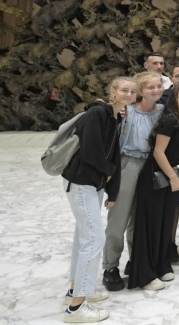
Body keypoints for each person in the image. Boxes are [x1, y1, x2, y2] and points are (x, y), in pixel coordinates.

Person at [62, 77, 136, 323]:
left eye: (132, 91)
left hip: (94, 184)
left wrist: (112, 190)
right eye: (124, 90)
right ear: (112, 92)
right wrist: (109, 173)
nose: (128, 94)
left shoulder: (115, 117)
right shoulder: (97, 113)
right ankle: (76, 308)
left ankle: (76, 290)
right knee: (94, 239)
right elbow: (91, 151)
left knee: (83, 237)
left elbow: (113, 154)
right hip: (81, 181)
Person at [127, 84, 179, 291]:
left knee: (165, 222)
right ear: (174, 99)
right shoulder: (169, 120)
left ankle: (161, 265)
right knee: (152, 224)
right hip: (155, 175)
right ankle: (145, 274)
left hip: (168, 175)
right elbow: (158, 152)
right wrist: (173, 176)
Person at [102, 72, 163, 293]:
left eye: (158, 86)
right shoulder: (127, 111)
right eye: (149, 87)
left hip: (150, 166)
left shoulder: (163, 112)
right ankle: (110, 267)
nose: (155, 90)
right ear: (141, 91)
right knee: (118, 220)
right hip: (127, 164)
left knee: (140, 221)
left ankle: (137, 262)